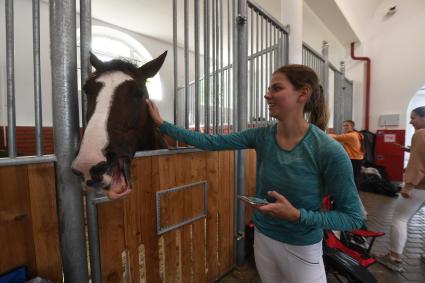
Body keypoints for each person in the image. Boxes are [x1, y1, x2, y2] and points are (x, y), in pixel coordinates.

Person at [147, 64, 363, 283]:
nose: (267, 94)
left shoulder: (327, 150)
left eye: (276, 88)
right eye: (269, 88)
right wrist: (162, 125)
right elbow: (210, 141)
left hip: (302, 248)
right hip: (263, 239)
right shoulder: (262, 136)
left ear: (303, 93)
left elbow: (353, 217)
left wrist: (298, 216)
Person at [376, 106, 425, 271]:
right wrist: (412, 150)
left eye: (414, 117)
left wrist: (409, 185)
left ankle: (394, 256)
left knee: (400, 218)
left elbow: (418, 163)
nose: (411, 121)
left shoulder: (420, 134)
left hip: (420, 186)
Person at [329, 120, 368, 219]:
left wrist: (324, 132)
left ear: (351, 126)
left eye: (346, 126)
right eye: (343, 126)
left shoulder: (351, 136)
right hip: (357, 160)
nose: (344, 128)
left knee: (351, 183)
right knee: (354, 181)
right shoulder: (358, 134)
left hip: (353, 160)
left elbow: (335, 138)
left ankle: (358, 209)